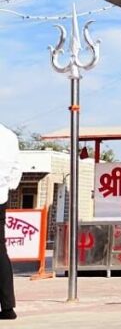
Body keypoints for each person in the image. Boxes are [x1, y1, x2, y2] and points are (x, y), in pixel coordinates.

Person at [0, 124, 22, 320]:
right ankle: (7, 306)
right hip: (0, 197)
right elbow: (16, 169)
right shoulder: (9, 135)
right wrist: (6, 187)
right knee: (0, 252)